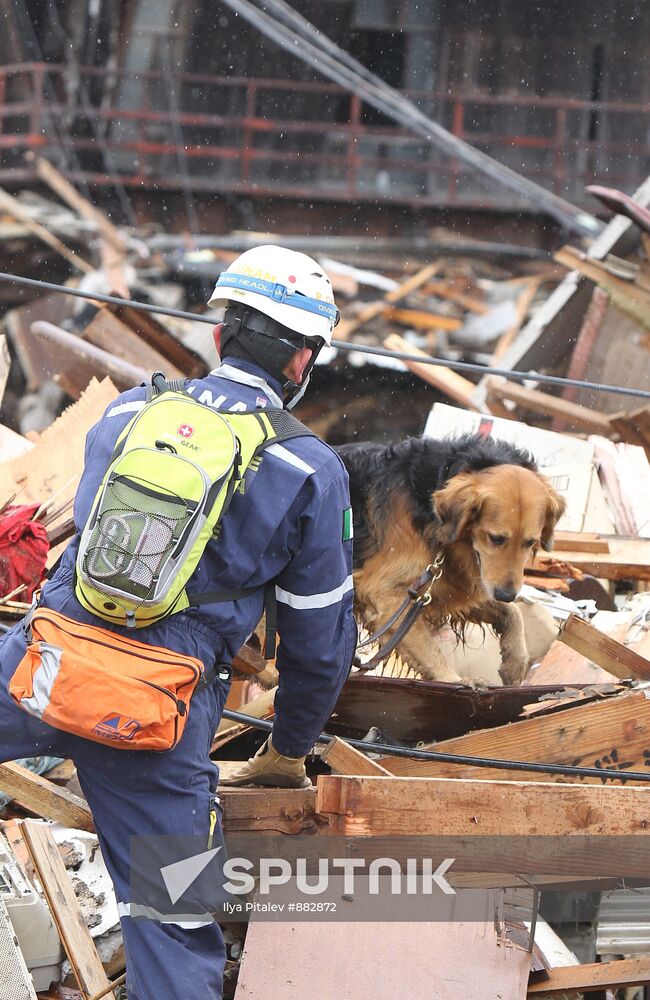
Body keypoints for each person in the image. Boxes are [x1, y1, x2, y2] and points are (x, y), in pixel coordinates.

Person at [0, 245, 357, 999]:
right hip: (159, 716)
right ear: (301, 362)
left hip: (44, 664)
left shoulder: (130, 411)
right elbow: (320, 646)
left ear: (221, 336)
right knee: (175, 917)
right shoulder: (310, 471)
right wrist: (289, 748)